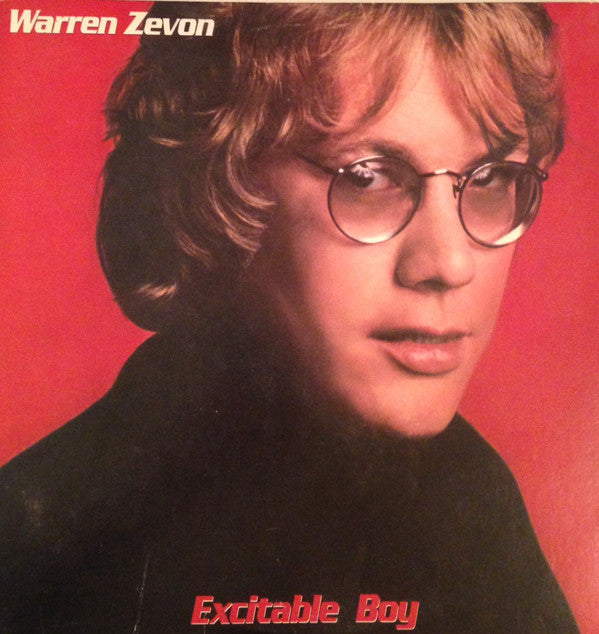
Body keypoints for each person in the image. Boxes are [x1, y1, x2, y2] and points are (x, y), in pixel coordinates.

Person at [0, 3, 578, 632]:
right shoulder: (55, 541)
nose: (450, 263)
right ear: (217, 183)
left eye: (492, 179)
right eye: (368, 177)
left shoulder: (468, 493)